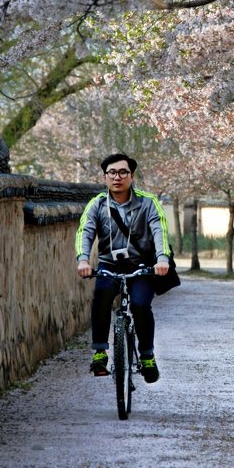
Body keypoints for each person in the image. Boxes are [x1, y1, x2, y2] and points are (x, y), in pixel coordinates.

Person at [75, 153, 171, 382]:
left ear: (132, 175)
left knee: (139, 305)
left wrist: (162, 259)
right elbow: (85, 232)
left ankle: (147, 355)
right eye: (112, 173)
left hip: (142, 266)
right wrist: (83, 259)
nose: (117, 177)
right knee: (101, 296)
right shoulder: (97, 204)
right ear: (105, 176)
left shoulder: (148, 202)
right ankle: (99, 352)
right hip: (109, 264)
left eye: (122, 172)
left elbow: (160, 231)